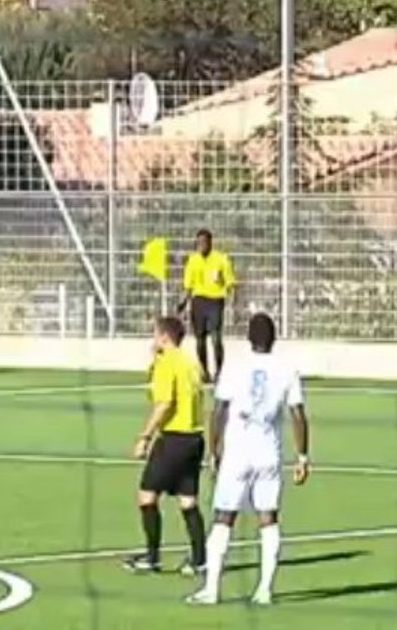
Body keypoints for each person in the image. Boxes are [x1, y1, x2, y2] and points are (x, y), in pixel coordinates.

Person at [186, 312, 310, 606]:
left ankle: (211, 589)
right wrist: (302, 456)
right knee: (268, 519)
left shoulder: (235, 365)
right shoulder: (287, 368)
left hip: (238, 451)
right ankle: (265, 590)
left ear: (249, 338)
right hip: (269, 450)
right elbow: (298, 414)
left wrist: (214, 451)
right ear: (274, 338)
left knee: (223, 517)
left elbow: (219, 410)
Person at [123, 316, 208, 576]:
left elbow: (164, 403)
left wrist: (144, 437)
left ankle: (152, 556)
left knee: (147, 496)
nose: (153, 339)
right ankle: (199, 558)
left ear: (164, 337)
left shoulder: (167, 363)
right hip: (195, 437)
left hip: (173, 438)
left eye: (155, 334)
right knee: (188, 500)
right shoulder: (191, 362)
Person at [176, 229, 235, 383]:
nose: (201, 245)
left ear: (210, 242)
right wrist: (183, 302)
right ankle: (204, 371)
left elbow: (230, 283)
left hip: (215, 300)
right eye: (198, 243)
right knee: (200, 340)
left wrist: (233, 302)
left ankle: (219, 371)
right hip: (198, 301)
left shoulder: (221, 259)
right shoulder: (193, 260)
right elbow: (188, 286)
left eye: (204, 242)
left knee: (216, 338)